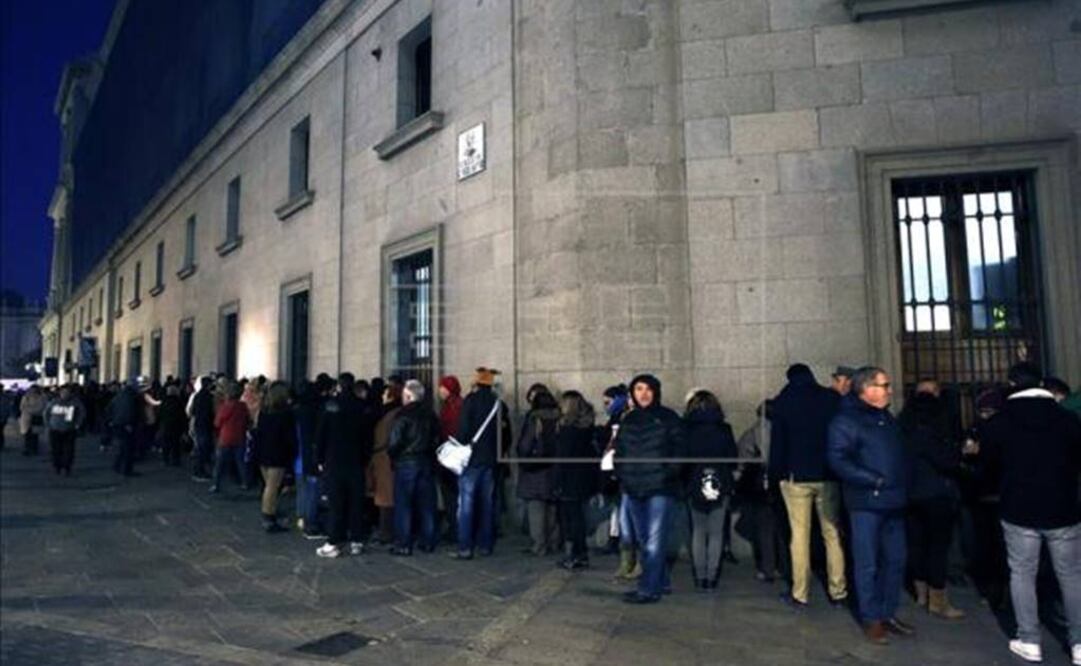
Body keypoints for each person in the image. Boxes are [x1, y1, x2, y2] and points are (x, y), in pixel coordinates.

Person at [980, 363, 1081, 665]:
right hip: (1063, 507)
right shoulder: (1068, 420)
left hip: (1018, 507)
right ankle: (1078, 642)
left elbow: (988, 466)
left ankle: (1029, 639)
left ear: (1012, 384)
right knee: (1072, 575)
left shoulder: (1000, 422)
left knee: (1022, 573)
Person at [828, 366, 913, 645]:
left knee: (895, 559)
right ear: (866, 389)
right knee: (867, 562)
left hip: (894, 500)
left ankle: (887, 612)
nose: (889, 389)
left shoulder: (885, 418)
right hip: (867, 501)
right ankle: (871, 617)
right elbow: (838, 459)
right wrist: (873, 480)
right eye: (883, 385)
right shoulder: (846, 420)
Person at [770, 363, 847, 608]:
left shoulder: (784, 402)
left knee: (799, 537)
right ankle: (838, 591)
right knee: (832, 535)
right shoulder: (830, 399)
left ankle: (800, 593)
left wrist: (776, 475)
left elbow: (777, 444)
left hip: (796, 477)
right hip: (827, 474)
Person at [614, 374, 685, 604]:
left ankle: (648, 589)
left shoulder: (668, 418)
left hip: (659, 488)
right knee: (645, 539)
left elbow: (680, 451)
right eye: (638, 389)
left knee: (654, 541)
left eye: (647, 389)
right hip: (634, 487)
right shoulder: (629, 419)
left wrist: (667, 474)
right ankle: (660, 581)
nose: (643, 394)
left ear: (656, 392)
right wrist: (622, 475)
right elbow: (620, 451)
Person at [899, 382, 966, 619]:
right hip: (937, 492)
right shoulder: (937, 426)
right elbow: (946, 461)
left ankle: (921, 593)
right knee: (938, 547)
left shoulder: (903, 424)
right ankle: (938, 599)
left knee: (916, 543)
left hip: (910, 493)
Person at [315, 373, 374, 558]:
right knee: (356, 502)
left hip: (334, 461)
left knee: (336, 503)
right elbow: (368, 438)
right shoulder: (362, 406)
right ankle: (356, 540)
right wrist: (365, 459)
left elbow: (321, 435)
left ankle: (333, 541)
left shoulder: (330, 405)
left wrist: (319, 459)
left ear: (339, 386)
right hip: (356, 461)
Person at [683, 389, 738, 590]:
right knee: (716, 533)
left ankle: (700, 576)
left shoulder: (686, 429)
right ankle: (712, 576)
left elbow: (683, 459)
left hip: (694, 481)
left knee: (698, 531)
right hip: (720, 480)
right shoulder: (724, 429)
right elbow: (732, 457)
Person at [452, 367, 507, 559]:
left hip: (472, 459)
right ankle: (485, 545)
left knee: (466, 504)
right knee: (486, 503)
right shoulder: (498, 403)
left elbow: (464, 430)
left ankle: (465, 547)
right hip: (490, 460)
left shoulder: (471, 401)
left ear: (477, 382)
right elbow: (505, 433)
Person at [736, 399, 789, 584]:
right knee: (783, 530)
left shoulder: (750, 434)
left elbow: (742, 463)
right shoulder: (785, 432)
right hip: (782, 485)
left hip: (759, 488)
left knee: (764, 531)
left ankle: (767, 569)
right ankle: (785, 567)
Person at [387, 379, 440, 555]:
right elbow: (437, 439)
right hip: (426, 461)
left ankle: (403, 543)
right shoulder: (430, 414)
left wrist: (393, 456)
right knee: (427, 503)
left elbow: (394, 442)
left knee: (404, 504)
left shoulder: (403, 415)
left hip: (406, 462)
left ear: (408, 395)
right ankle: (428, 541)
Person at [552, 390, 598, 570]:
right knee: (578, 517)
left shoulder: (567, 430)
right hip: (583, 478)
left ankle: (573, 555)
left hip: (568, 479)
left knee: (570, 520)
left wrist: (556, 482)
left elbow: (562, 459)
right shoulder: (587, 426)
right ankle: (581, 554)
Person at [516, 388, 561, 556]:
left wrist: (522, 455)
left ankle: (539, 545)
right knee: (552, 509)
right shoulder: (559, 417)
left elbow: (526, 444)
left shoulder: (534, 418)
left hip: (535, 470)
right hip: (555, 468)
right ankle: (554, 542)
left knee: (536, 508)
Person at [253, 381, 298, 533]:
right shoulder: (286, 414)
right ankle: (268, 517)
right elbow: (289, 437)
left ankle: (270, 513)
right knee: (272, 488)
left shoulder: (264, 412)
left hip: (263, 453)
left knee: (269, 486)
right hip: (277, 455)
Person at [371, 383, 402, 544]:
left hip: (385, 459)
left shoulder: (388, 414)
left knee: (385, 498)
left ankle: (386, 532)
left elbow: (380, 438)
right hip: (394, 459)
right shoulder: (399, 412)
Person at [210, 382, 251, 493]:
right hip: (240, 437)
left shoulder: (225, 406)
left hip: (226, 438)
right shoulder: (243, 406)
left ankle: (216, 484)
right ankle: (245, 482)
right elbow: (248, 420)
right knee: (240, 462)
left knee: (219, 463)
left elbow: (217, 423)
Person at [437, 375, 464, 540]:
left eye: (442, 387)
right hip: (452, 455)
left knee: (451, 495)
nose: (439, 390)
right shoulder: (451, 405)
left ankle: (456, 527)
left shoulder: (454, 407)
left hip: (452, 456)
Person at [44, 384, 86, 476]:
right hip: (55, 429)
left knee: (69, 450)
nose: (65, 394)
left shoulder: (75, 403)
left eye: (67, 392)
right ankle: (57, 466)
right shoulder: (54, 402)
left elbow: (82, 413)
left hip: (69, 429)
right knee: (56, 449)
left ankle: (67, 467)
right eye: (63, 392)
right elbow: (46, 413)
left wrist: (78, 424)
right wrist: (49, 425)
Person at [107, 379, 142, 477]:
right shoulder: (130, 397)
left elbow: (109, 409)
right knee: (128, 448)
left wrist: (112, 420)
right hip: (127, 425)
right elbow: (130, 411)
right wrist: (129, 423)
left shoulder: (119, 396)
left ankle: (117, 465)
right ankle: (126, 469)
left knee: (123, 447)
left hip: (118, 424)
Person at [188, 377, 216, 480]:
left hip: (198, 424)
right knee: (203, 450)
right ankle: (200, 472)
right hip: (206, 425)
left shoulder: (197, 396)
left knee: (199, 449)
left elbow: (193, 411)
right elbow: (211, 412)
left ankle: (198, 471)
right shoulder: (209, 397)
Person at [157, 384, 187, 467]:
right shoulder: (179, 402)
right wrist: (184, 428)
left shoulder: (164, 402)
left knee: (166, 444)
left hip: (165, 425)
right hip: (176, 426)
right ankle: (175, 460)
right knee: (175, 444)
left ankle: (165, 459)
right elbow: (182, 416)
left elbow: (159, 414)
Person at [18, 385, 46, 456]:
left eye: (34, 390)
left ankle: (34, 449)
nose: (32, 391)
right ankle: (27, 449)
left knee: (34, 435)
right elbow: (22, 407)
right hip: (26, 418)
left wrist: (29, 409)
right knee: (27, 434)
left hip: (36, 418)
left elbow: (40, 408)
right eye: (31, 390)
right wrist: (30, 408)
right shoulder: (26, 397)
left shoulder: (41, 397)